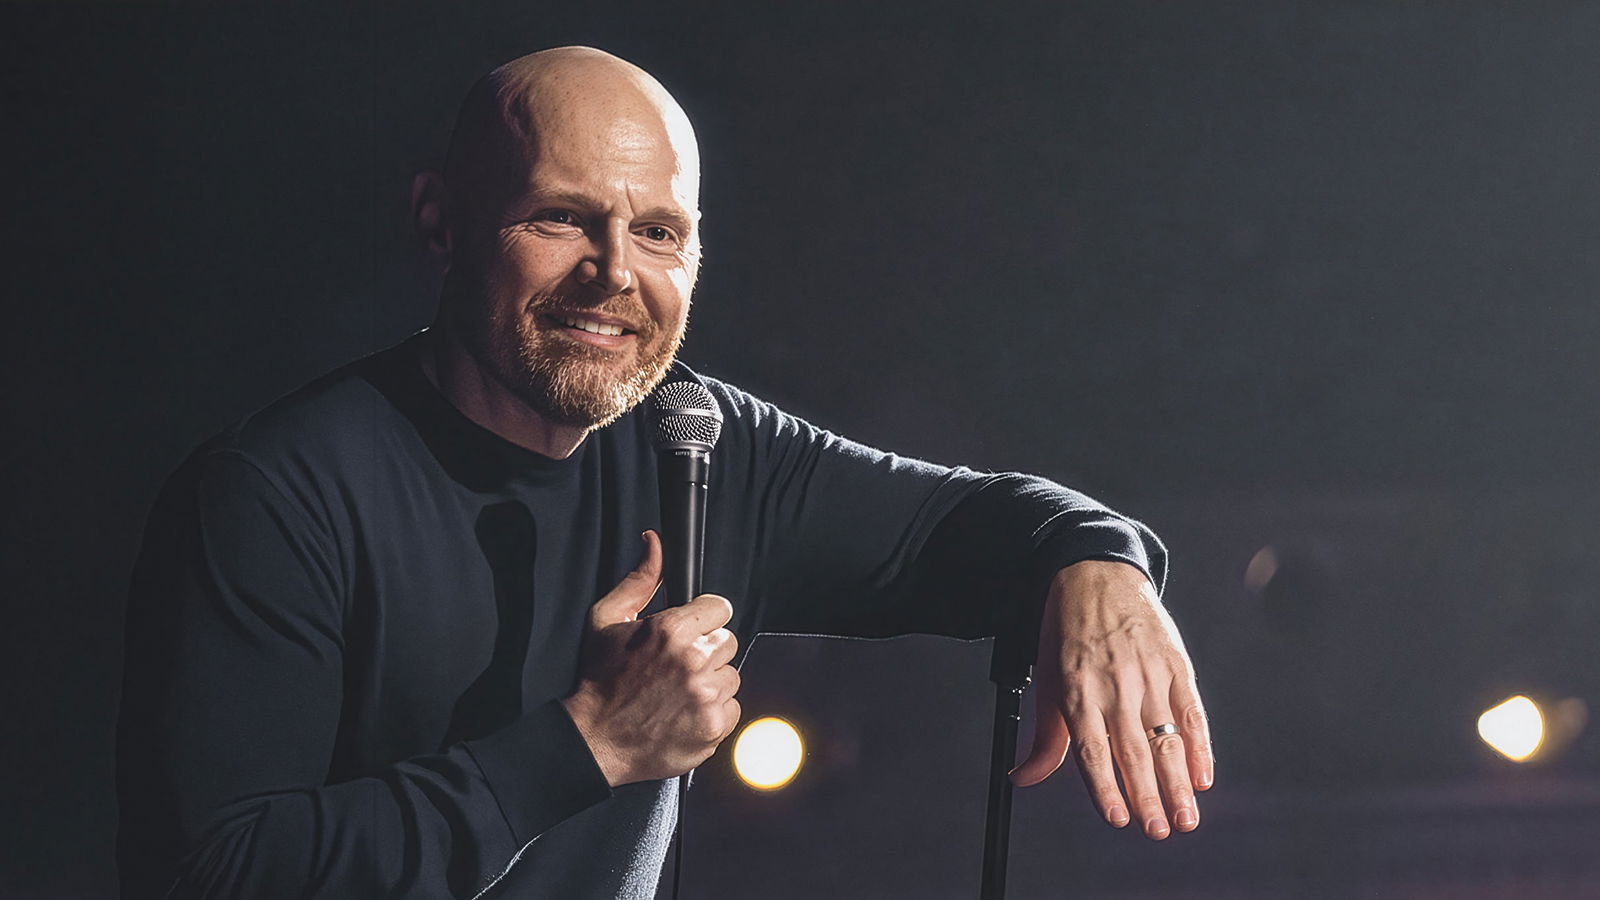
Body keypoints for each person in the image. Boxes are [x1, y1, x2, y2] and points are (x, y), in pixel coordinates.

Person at [116, 46, 1212, 898]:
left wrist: (1097, 563)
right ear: (440, 223)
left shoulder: (700, 446)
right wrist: (587, 745)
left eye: (657, 232)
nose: (613, 275)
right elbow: (212, 873)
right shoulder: (276, 493)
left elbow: (967, 525)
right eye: (561, 218)